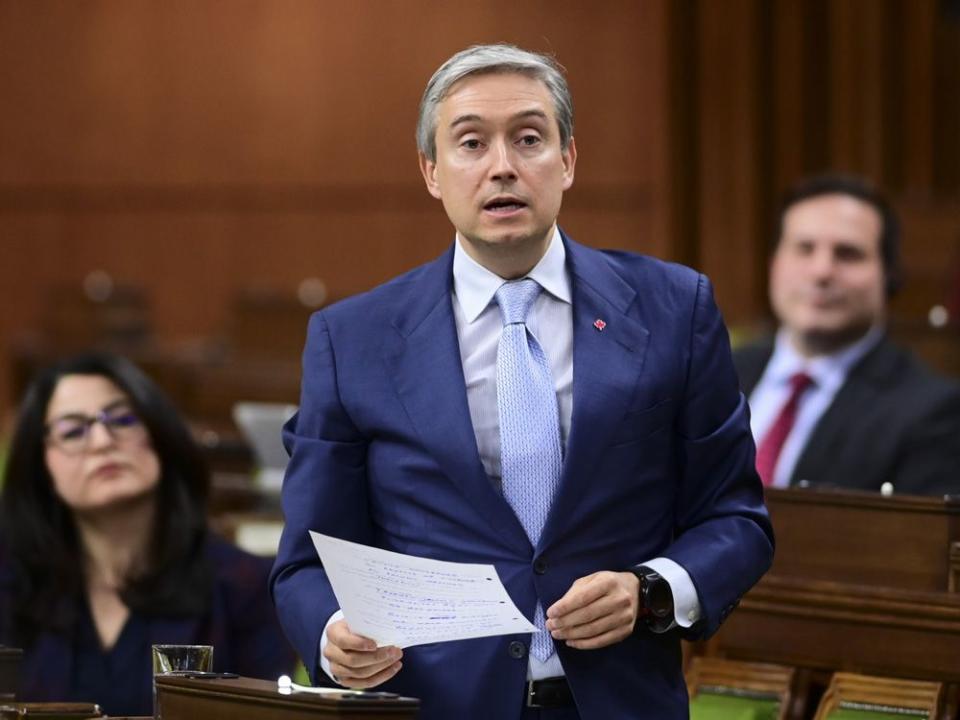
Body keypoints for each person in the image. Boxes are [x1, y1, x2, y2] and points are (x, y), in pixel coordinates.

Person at [271, 44, 773, 720]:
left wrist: (651, 589)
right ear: (431, 172)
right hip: (436, 705)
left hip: (619, 702)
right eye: (471, 142)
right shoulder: (353, 339)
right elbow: (306, 560)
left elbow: (736, 519)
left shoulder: (673, 309)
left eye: (529, 138)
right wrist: (333, 636)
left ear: (567, 161)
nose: (502, 166)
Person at [0, 352, 294, 716]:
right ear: (39, 464)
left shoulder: (245, 588)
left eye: (122, 419)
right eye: (73, 431)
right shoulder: (11, 584)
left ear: (159, 434)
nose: (102, 441)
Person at [734, 174, 960, 496]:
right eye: (804, 248)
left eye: (848, 253)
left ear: (890, 274)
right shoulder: (717, 374)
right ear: (774, 265)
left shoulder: (933, 412)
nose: (822, 271)